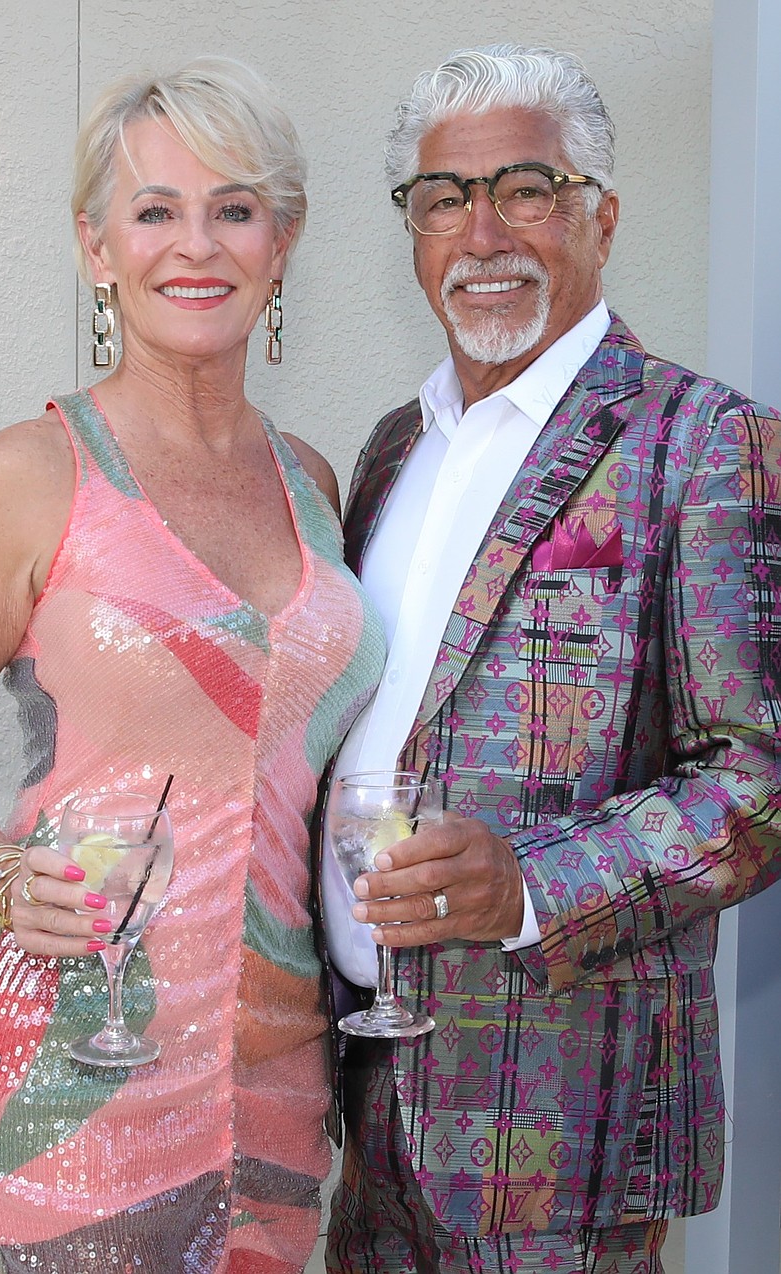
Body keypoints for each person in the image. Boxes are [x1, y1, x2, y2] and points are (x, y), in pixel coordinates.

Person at [321, 42, 781, 1274]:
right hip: (371, 1106)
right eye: (442, 199)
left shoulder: (705, 443)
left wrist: (526, 886)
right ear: (410, 232)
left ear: (601, 215)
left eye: (526, 188)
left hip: (564, 1134)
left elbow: (758, 781)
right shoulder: (388, 451)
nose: (482, 232)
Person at [0, 57, 384, 1274]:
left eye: (234, 208)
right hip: (73, 1061)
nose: (198, 244)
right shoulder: (28, 477)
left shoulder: (312, 483)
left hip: (284, 1062)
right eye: (154, 209)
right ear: (96, 247)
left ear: (280, 242)